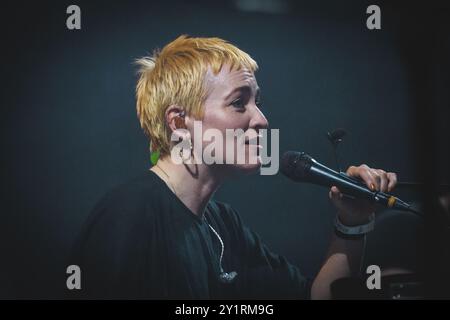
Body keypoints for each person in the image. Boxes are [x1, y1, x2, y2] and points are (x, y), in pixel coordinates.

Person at [69, 35, 398, 299]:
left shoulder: (222, 223)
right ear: (180, 122)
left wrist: (352, 223)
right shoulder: (130, 215)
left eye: (257, 102)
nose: (262, 120)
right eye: (239, 102)